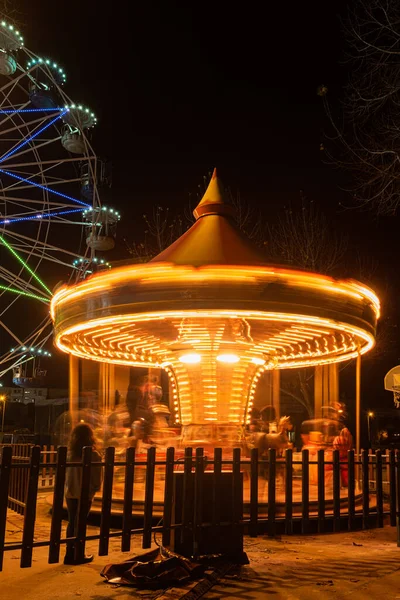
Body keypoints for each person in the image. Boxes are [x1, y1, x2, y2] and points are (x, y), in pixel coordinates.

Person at [64, 423, 103, 565]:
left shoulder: (70, 454)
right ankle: (79, 554)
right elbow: (97, 476)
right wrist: (94, 488)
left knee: (72, 522)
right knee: (81, 522)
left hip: (71, 492)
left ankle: (69, 552)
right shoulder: (93, 455)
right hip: (85, 493)